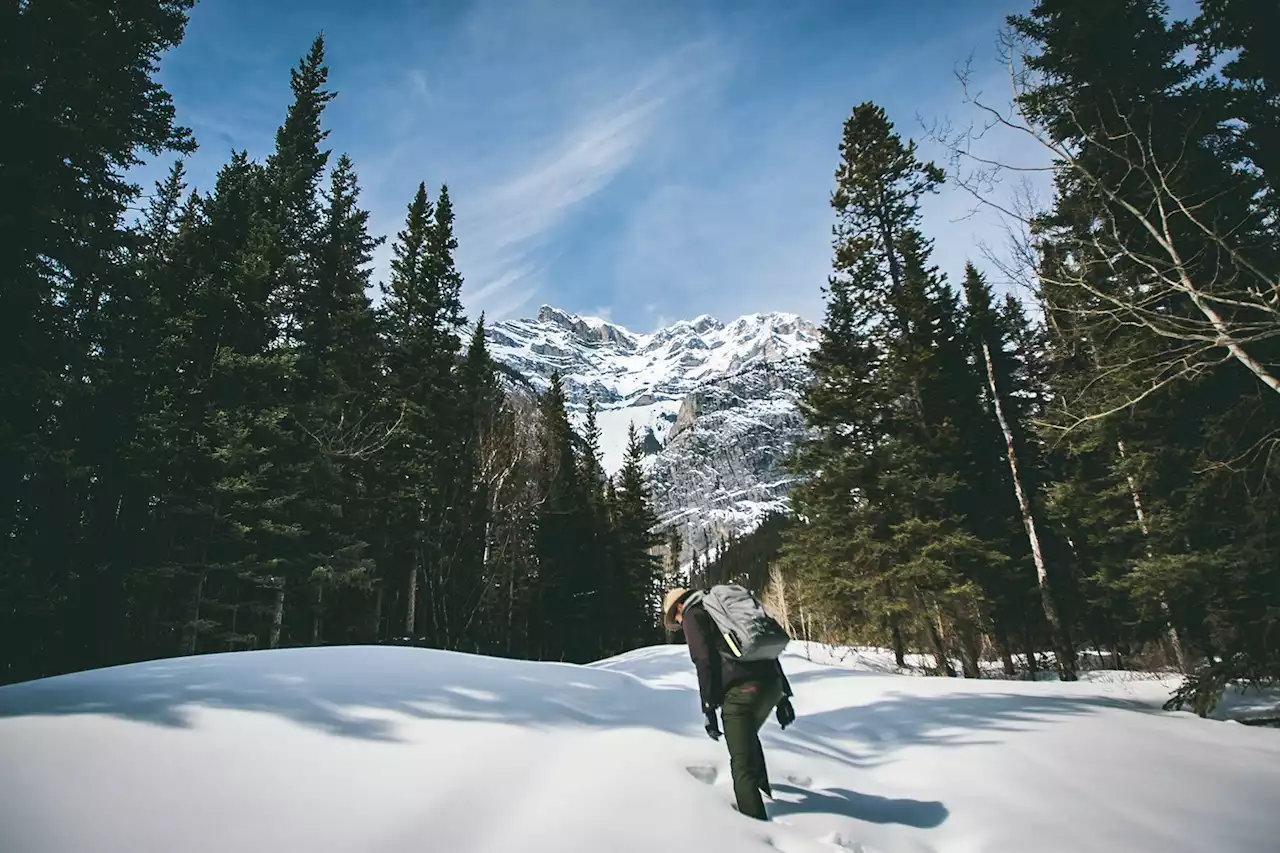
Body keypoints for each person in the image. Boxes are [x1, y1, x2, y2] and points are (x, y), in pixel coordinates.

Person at [663, 586, 796, 821]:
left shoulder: (694, 614)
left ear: (679, 607)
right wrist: (783, 695)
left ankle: (755, 827)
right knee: (746, 738)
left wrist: (708, 707)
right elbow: (764, 652)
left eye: (676, 618)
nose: (679, 622)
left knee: (740, 763)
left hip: (742, 691)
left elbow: (703, 661)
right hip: (771, 684)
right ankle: (765, 793)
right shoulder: (720, 612)